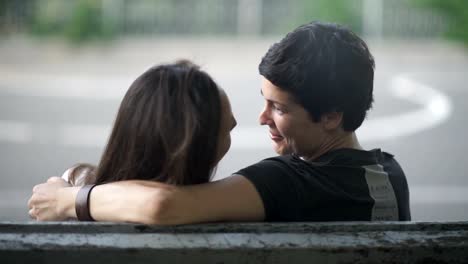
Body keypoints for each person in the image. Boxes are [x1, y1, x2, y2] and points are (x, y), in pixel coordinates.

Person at [28, 21, 411, 224]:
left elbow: (163, 205)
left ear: (331, 116)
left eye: (279, 108)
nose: (262, 118)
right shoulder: (391, 176)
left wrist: (67, 199)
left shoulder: (288, 181)